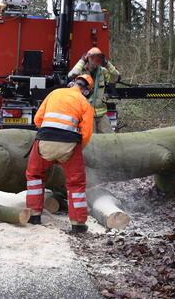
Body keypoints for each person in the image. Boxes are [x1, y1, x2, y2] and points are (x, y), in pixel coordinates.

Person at [25, 74, 95, 234]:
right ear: (86, 91)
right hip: (69, 144)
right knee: (76, 184)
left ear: (72, 84)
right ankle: (78, 224)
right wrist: (74, 147)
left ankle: (34, 215)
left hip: (44, 141)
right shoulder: (85, 103)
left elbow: (37, 120)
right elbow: (86, 134)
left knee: (34, 176)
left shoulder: (54, 94)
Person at [68, 47, 120, 133]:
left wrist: (108, 64)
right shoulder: (81, 71)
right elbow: (71, 75)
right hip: (86, 114)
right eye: (92, 58)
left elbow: (116, 77)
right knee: (90, 139)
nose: (95, 61)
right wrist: (81, 61)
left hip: (101, 113)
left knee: (108, 138)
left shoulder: (103, 72)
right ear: (87, 59)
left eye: (98, 58)